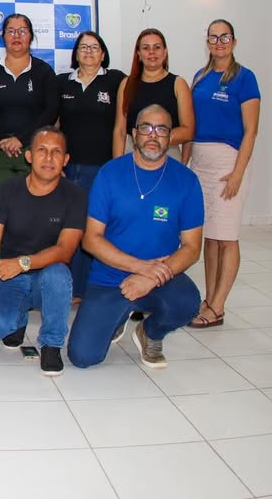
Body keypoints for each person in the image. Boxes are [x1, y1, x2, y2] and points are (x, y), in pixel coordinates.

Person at [67, 105, 204, 370]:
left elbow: (191, 247)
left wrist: (150, 277)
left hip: (161, 276)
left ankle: (151, 332)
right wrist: (140, 268)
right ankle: (116, 316)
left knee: (188, 302)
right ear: (134, 133)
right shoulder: (109, 173)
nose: (153, 135)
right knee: (83, 357)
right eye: (146, 128)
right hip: (110, 278)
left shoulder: (187, 181)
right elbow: (91, 240)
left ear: (170, 136)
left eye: (161, 129)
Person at [0, 127, 86, 376]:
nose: (48, 158)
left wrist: (23, 262)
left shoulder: (75, 195)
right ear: (29, 156)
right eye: (42, 151)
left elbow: (65, 251)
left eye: (56, 152)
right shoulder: (7, 190)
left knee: (58, 274)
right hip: (12, 276)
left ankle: (51, 343)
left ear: (66, 159)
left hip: (48, 277)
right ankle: (19, 320)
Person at [182, 20, 260, 328]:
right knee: (210, 238)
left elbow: (251, 130)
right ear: (207, 42)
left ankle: (218, 305)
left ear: (234, 41)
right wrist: (186, 166)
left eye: (224, 36)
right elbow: (190, 128)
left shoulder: (245, 78)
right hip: (200, 161)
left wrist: (238, 172)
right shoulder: (200, 77)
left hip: (229, 162)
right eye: (213, 37)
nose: (219, 42)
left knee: (227, 237)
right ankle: (209, 298)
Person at [56, 31, 126, 299]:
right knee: (70, 226)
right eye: (83, 47)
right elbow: (56, 125)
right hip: (69, 168)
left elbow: (120, 127)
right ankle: (70, 287)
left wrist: (118, 167)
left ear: (103, 53)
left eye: (94, 47)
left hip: (102, 169)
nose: (88, 51)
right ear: (75, 53)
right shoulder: (63, 83)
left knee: (94, 228)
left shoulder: (116, 80)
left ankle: (88, 288)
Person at [0, 13, 59, 203]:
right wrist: (1, 140)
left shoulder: (43, 71)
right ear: (3, 36)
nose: (17, 36)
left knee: (32, 214)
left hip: (33, 152)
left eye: (22, 31)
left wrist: (20, 140)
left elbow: (51, 112)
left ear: (31, 36)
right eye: (11, 31)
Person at [113, 28, 195, 158]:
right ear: (138, 54)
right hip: (132, 153)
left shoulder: (178, 84)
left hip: (167, 152)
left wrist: (154, 139)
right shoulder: (126, 84)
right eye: (146, 48)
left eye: (157, 47)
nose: (152, 52)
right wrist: (117, 164)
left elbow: (188, 131)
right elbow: (120, 131)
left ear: (165, 52)